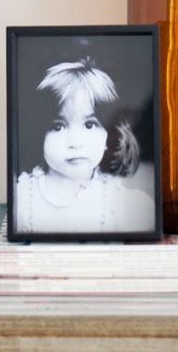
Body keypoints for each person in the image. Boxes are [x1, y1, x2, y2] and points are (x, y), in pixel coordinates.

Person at [15, 58, 155, 235]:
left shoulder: (120, 203)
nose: (75, 142)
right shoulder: (23, 198)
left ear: (109, 134)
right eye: (58, 127)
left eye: (89, 125)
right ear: (38, 135)